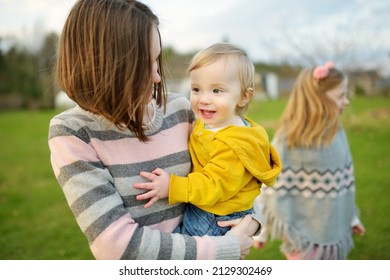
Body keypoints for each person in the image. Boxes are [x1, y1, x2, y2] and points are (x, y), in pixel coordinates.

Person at [48, 0, 260, 260]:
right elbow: (117, 247)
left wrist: (251, 221)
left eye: (157, 61)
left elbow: (233, 170)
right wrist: (224, 249)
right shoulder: (73, 132)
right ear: (108, 65)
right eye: (144, 64)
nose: (157, 77)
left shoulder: (180, 110)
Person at [133, 42, 282, 237]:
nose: (204, 99)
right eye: (196, 89)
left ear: (244, 97)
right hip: (208, 209)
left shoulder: (233, 144)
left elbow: (212, 185)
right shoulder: (211, 123)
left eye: (216, 91)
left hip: (214, 218)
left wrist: (172, 186)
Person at [253, 62, 366, 259]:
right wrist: (261, 230)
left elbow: (343, 183)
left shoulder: (337, 134)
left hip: (334, 228)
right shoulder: (289, 140)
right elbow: (270, 187)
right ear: (317, 99)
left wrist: (351, 218)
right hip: (301, 237)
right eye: (340, 96)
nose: (346, 101)